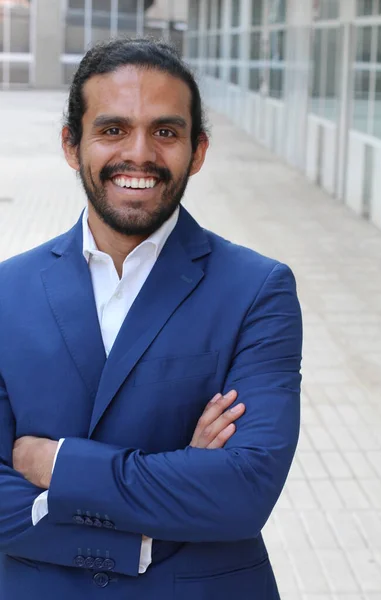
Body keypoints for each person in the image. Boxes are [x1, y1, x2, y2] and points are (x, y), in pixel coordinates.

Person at [0, 38, 302, 599]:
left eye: (165, 132)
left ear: (198, 150)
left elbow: (242, 493)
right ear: (72, 144)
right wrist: (174, 485)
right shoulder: (5, 291)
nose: (139, 153)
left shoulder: (259, 289)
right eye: (113, 129)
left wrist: (57, 462)